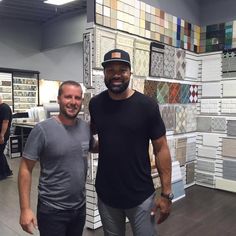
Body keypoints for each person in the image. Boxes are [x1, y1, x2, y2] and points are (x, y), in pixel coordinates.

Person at [89, 49, 173, 236]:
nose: (116, 75)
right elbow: (99, 133)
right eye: (110, 70)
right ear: (104, 73)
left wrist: (167, 193)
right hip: (106, 194)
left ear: (130, 73)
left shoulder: (147, 106)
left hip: (141, 195)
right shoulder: (95, 104)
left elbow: (161, 150)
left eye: (122, 70)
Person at [18, 81, 94, 236]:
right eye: (68, 97)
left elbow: (94, 146)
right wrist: (25, 209)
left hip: (79, 208)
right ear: (58, 99)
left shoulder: (85, 128)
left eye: (77, 98)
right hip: (52, 210)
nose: (73, 102)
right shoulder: (42, 130)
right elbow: (25, 168)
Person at [0, 94, 13, 181]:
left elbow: (5, 122)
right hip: (1, 134)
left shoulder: (4, 108)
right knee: (0, 153)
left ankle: (2, 174)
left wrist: (1, 135)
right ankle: (7, 171)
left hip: (3, 134)